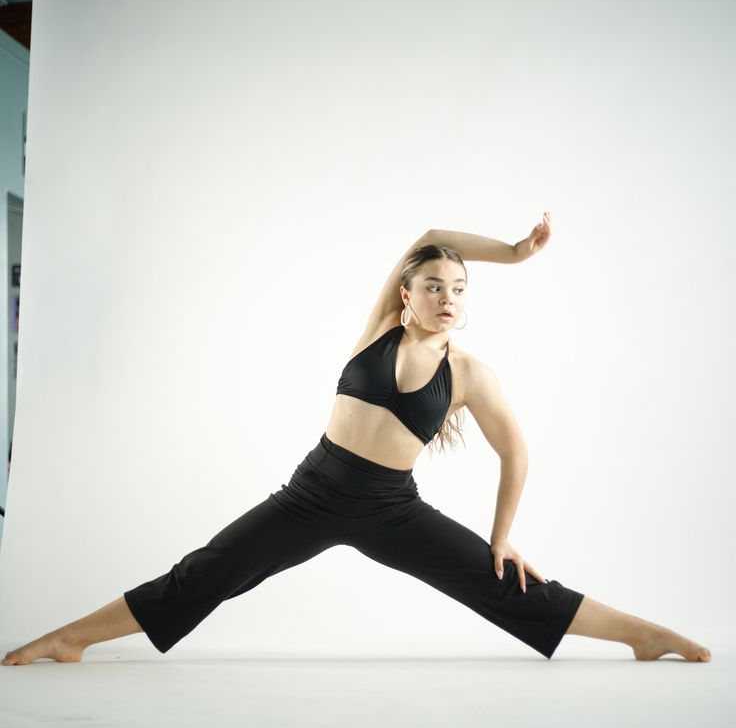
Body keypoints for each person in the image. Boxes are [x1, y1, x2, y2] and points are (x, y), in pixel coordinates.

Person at [2, 215, 711, 665]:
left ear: (467, 303)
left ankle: (642, 636)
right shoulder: (380, 329)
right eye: (433, 284)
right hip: (311, 493)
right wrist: (515, 253)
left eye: (459, 288)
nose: (447, 296)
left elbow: (516, 454)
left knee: (508, 587)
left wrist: (500, 538)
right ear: (407, 294)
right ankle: (72, 640)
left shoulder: (469, 373)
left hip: (390, 510)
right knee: (207, 571)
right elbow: (434, 230)